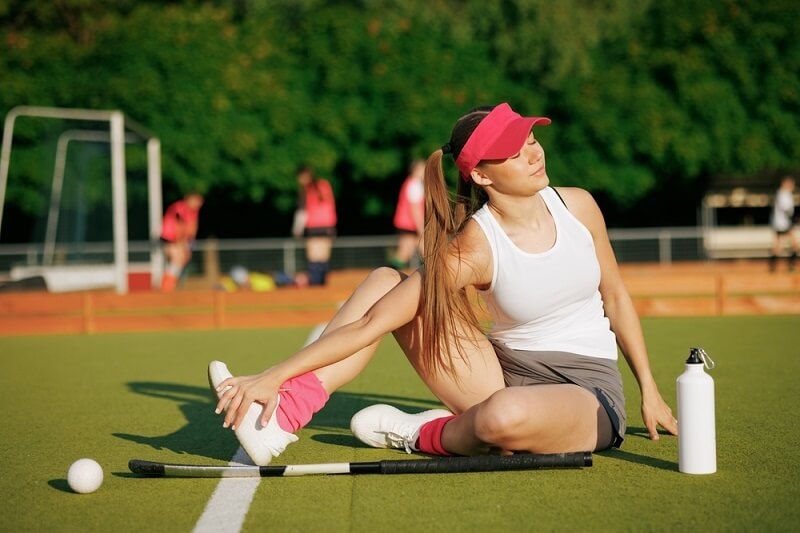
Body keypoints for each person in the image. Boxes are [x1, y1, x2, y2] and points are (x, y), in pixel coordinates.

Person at [210, 102, 677, 466]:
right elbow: (372, 323)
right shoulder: (473, 247)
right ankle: (281, 415)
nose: (534, 153)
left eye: (532, 139)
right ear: (480, 174)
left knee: (504, 417)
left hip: (586, 391)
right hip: (499, 375)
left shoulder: (579, 206)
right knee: (384, 283)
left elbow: (614, 295)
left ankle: (422, 433)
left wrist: (649, 389)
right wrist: (274, 376)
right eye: (514, 152)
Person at [292, 165, 337, 285]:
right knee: (323, 257)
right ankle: (322, 284)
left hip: (313, 226)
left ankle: (315, 284)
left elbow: (302, 212)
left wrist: (297, 229)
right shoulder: (324, 185)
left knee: (313, 257)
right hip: (328, 225)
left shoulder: (306, 190)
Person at [160, 192, 203, 292]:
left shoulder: (193, 211)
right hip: (171, 239)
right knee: (177, 259)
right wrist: (181, 244)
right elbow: (180, 226)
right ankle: (165, 288)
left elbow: (191, 229)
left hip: (180, 240)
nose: (199, 204)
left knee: (179, 261)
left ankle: (169, 286)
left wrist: (188, 245)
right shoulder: (180, 208)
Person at [389, 159, 425, 269]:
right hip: (409, 225)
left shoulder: (411, 183)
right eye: (423, 168)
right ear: (416, 170)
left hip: (406, 224)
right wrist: (421, 229)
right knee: (421, 251)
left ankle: (387, 274)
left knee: (405, 254)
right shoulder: (415, 185)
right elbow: (415, 210)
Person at [768, 176, 798, 272]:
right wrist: (793, 219)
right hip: (783, 223)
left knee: (777, 246)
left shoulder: (783, 193)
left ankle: (773, 267)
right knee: (794, 244)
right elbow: (786, 209)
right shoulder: (783, 193)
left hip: (781, 222)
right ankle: (791, 266)